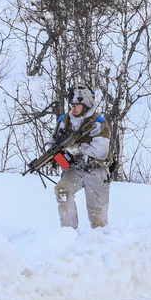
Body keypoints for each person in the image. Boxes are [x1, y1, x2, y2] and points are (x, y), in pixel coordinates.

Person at [54, 83, 112, 229]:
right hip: (75, 169)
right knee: (62, 190)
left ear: (85, 105)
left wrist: (78, 148)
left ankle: (100, 244)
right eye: (71, 104)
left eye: (77, 104)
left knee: (97, 216)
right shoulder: (65, 120)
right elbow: (52, 142)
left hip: (96, 170)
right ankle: (68, 235)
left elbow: (101, 151)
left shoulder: (98, 123)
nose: (73, 107)